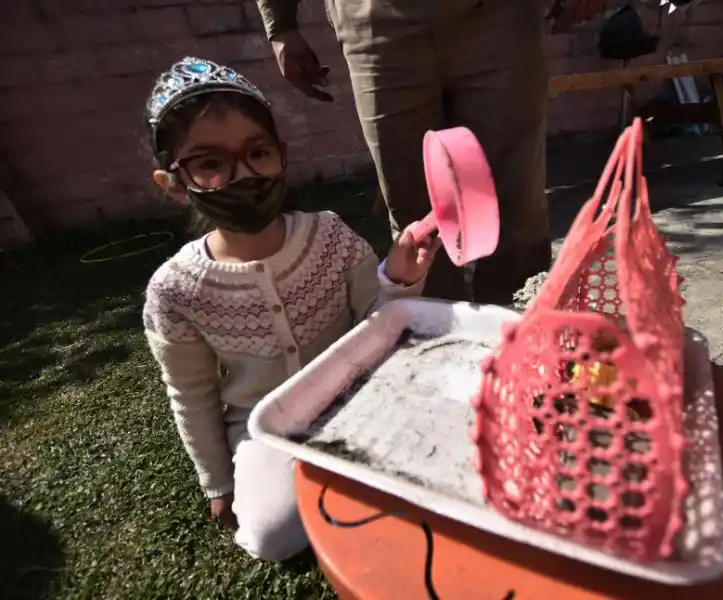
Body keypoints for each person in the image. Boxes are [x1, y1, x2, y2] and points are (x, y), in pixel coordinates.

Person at [142, 57, 440, 561]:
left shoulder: (329, 236)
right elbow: (190, 393)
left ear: (280, 156)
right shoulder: (173, 290)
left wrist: (399, 277)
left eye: (258, 153)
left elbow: (377, 323)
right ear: (173, 183)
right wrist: (217, 481)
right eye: (211, 164)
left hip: (360, 399)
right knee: (269, 537)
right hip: (268, 428)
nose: (243, 175)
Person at [255, 0, 553, 304]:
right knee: (416, 224)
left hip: (501, 15)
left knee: (516, 206)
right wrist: (281, 25)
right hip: (376, 23)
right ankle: (441, 340)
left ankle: (526, 335)